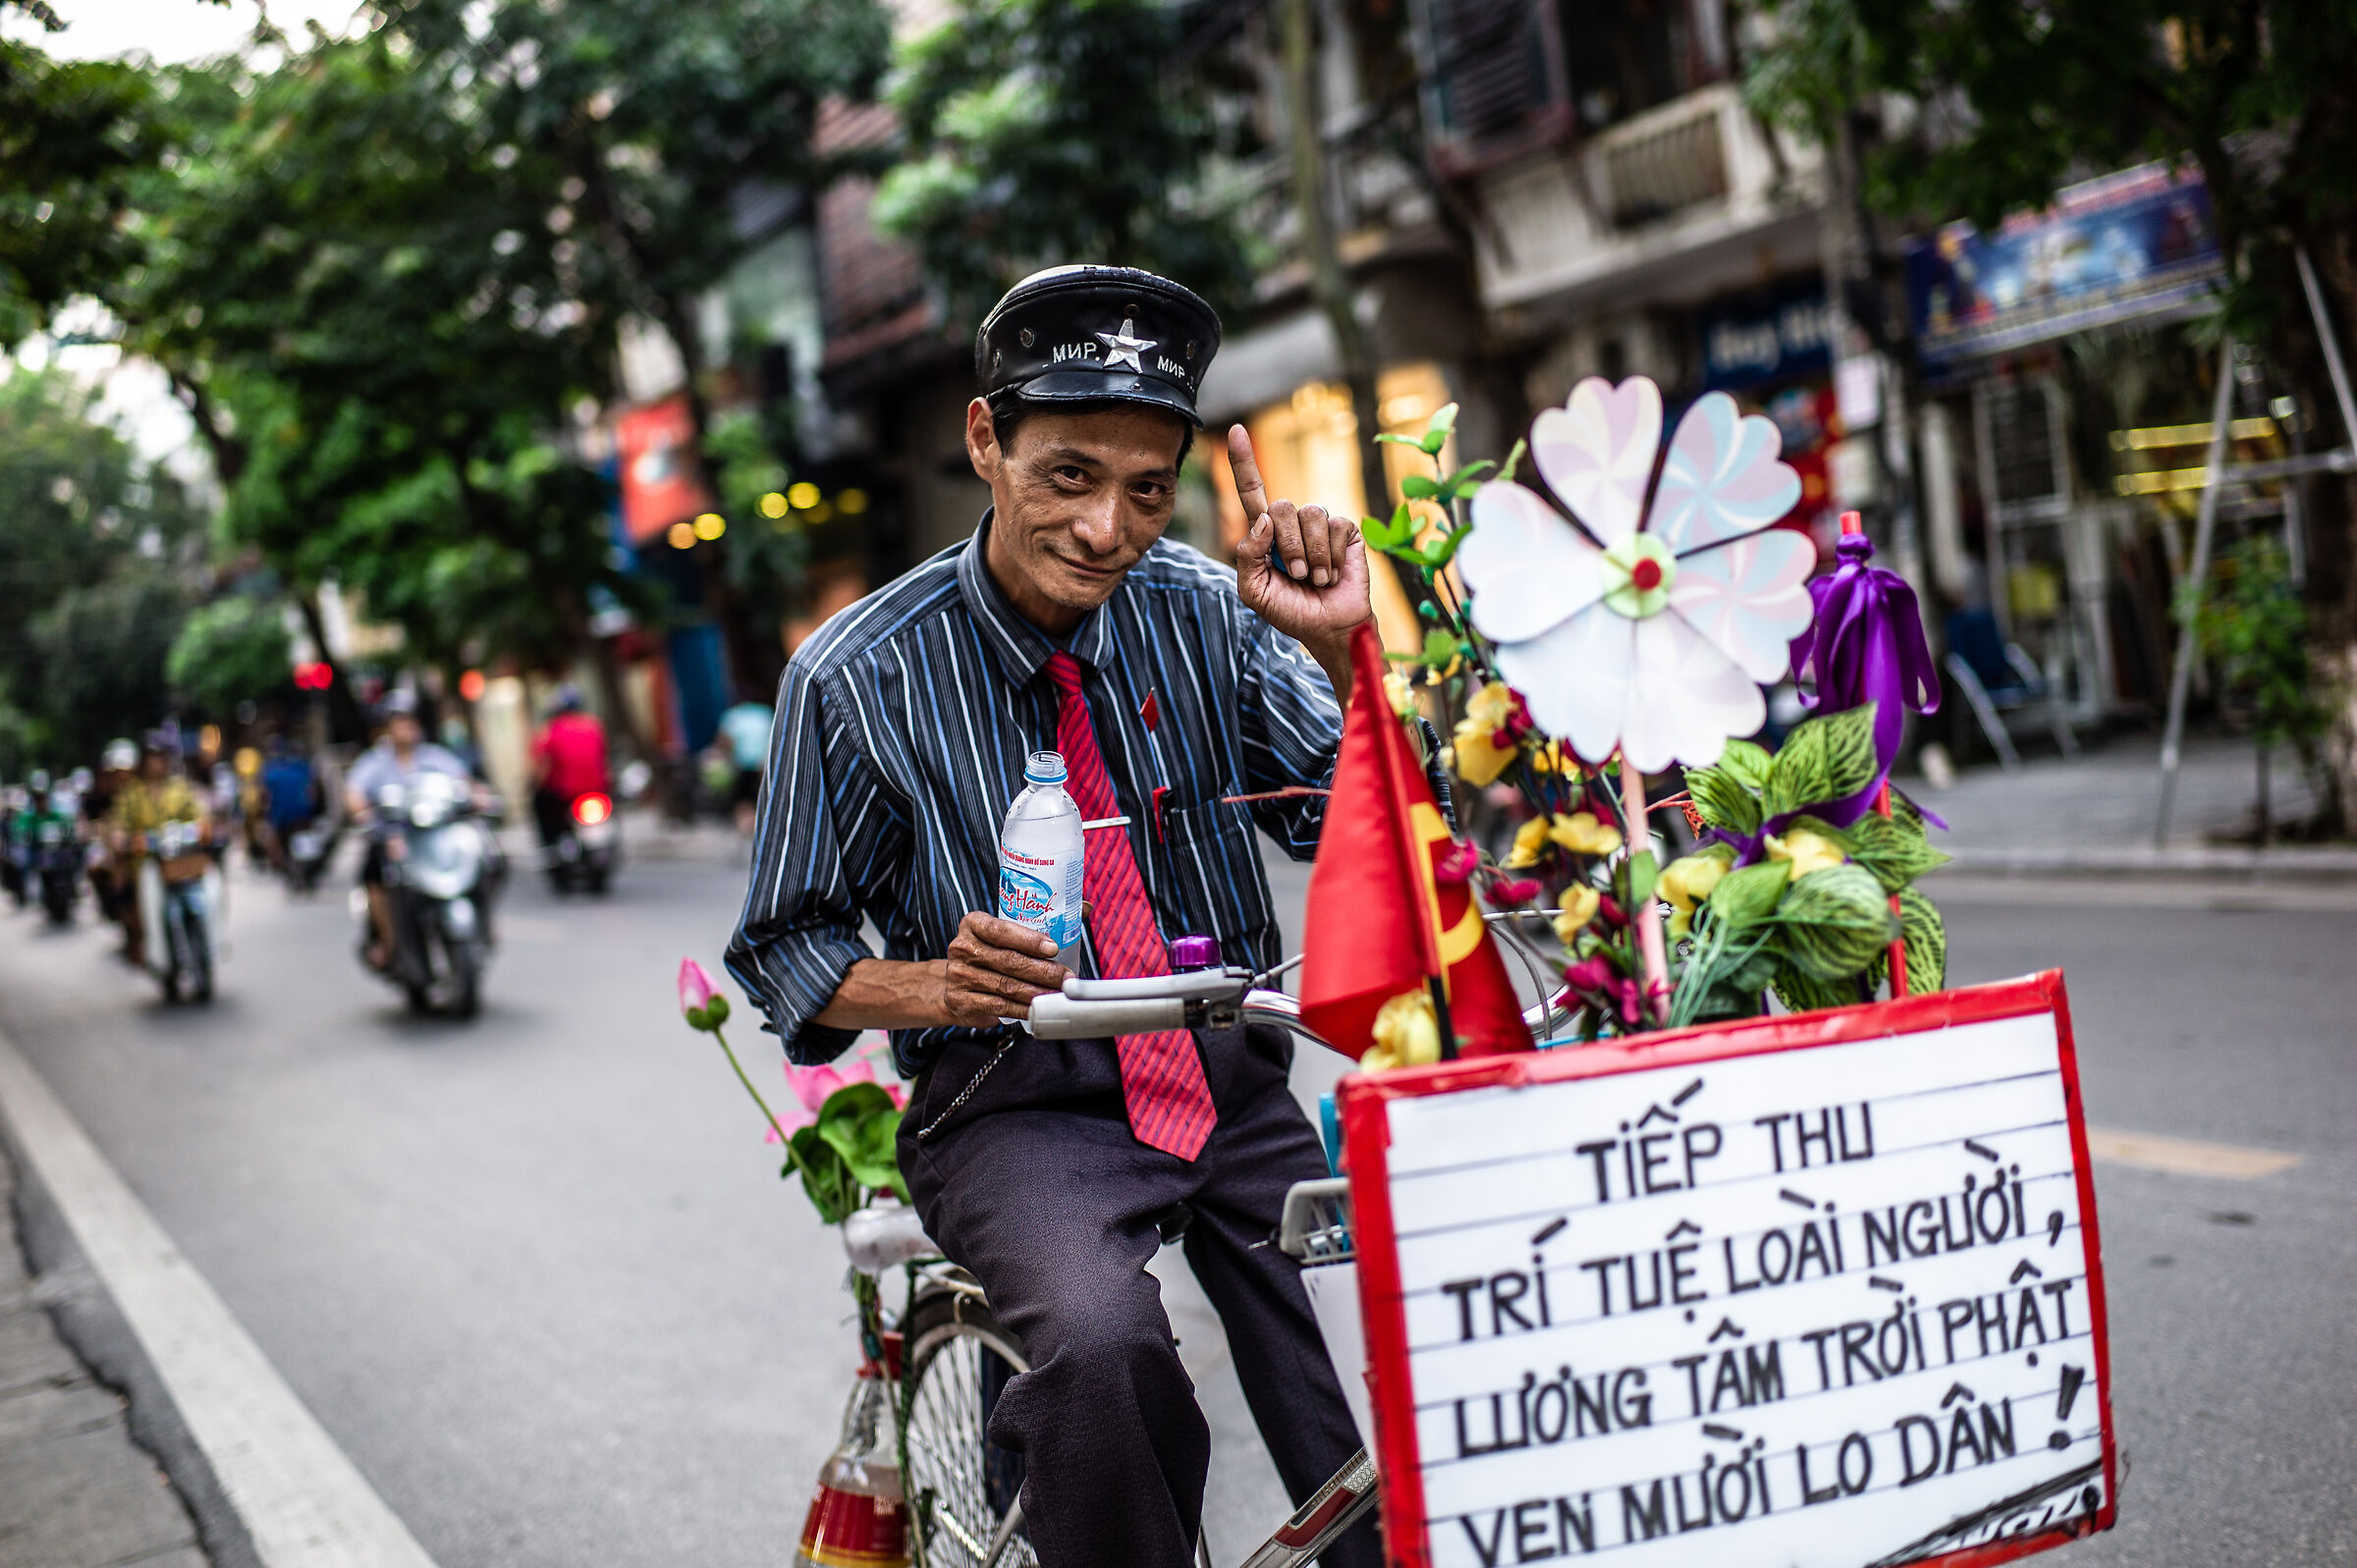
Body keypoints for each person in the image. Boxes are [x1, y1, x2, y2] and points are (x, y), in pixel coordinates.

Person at [727, 266, 1376, 1568]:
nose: (1106, 527)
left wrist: (1346, 651)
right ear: (985, 441)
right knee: (1096, 1352)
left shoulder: (1205, 605)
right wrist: (935, 988)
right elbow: (787, 951)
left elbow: (1342, 819)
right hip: (1019, 1109)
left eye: (1146, 489)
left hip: (1233, 1079)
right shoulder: (855, 676)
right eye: (1068, 475)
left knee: (1433, 1318)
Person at [347, 690, 478, 969]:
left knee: (485, 856)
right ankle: (388, 939)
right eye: (399, 720)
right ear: (388, 727)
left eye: (410, 719)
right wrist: (363, 813)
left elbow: (465, 783)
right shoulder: (375, 763)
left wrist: (479, 796)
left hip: (436, 835)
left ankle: (483, 921)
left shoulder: (434, 757)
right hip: (395, 838)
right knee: (373, 873)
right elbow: (354, 793)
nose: (407, 726)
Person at [108, 738, 210, 965]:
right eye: (151, 758)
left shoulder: (180, 789)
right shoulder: (132, 794)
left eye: (159, 758)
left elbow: (198, 815)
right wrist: (121, 839)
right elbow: (119, 827)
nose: (156, 763)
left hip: (181, 861)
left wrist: (203, 826)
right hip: (148, 864)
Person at [527, 684, 610, 848]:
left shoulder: (551, 731)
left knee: (540, 802)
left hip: (567, 793)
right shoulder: (593, 726)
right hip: (598, 789)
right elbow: (603, 759)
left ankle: (550, 846)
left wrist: (534, 785)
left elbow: (542, 765)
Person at [714, 696, 774, 834]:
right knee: (760, 793)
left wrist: (728, 758)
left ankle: (746, 824)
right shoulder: (764, 713)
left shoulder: (733, 715)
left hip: (742, 761)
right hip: (761, 762)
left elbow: (726, 740)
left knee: (743, 795)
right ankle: (758, 823)